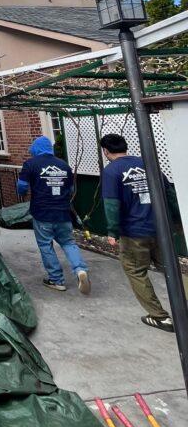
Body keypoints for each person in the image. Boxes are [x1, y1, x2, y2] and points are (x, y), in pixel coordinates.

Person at [100, 132, 188, 332]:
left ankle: (159, 317)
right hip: (161, 229)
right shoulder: (149, 164)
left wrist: (112, 232)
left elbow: (112, 204)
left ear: (106, 151)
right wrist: (178, 222)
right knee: (170, 267)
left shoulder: (112, 171)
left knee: (135, 270)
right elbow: (170, 195)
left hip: (134, 232)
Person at [17, 135, 91, 295]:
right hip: (63, 212)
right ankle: (80, 270)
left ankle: (56, 280)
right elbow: (70, 190)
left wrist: (24, 193)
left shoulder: (31, 164)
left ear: (35, 149)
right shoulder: (64, 165)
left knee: (46, 245)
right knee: (68, 242)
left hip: (42, 213)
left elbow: (21, 186)